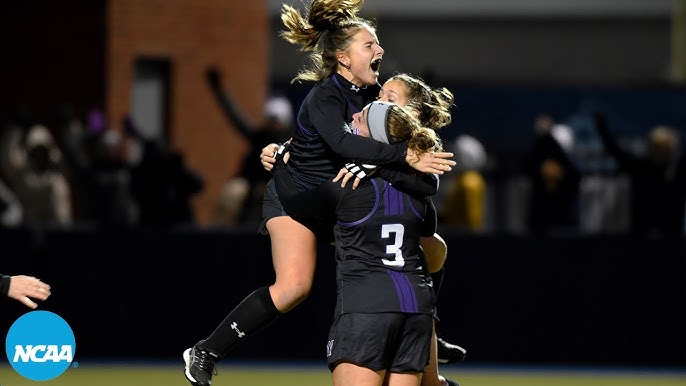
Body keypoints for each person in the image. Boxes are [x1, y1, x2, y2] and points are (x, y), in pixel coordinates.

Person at [182, 2, 455, 386]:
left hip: (339, 198)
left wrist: (402, 154)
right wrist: (402, 155)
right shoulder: (326, 96)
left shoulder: (374, 95)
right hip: (296, 195)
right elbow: (344, 144)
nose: (379, 51)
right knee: (295, 286)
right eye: (368, 44)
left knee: (434, 248)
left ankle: (428, 334)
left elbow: (402, 165)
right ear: (343, 58)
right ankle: (206, 350)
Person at [262, 72, 468, 369]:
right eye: (381, 95)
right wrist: (282, 154)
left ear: (413, 114)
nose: (378, 102)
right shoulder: (361, 139)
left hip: (370, 304)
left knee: (434, 247)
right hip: (399, 299)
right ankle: (431, 330)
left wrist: (379, 166)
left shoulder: (413, 156)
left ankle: (433, 330)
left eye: (390, 99)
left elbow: (429, 190)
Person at [206, 68, 292, 226]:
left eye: (276, 120)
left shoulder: (290, 143)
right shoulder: (258, 136)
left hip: (273, 191)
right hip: (248, 185)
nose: (273, 124)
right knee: (232, 194)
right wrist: (218, 89)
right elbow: (234, 116)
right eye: (271, 119)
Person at [592, 112, 686, 236]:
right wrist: (602, 128)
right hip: (646, 232)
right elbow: (616, 151)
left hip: (664, 232)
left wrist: (602, 128)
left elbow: (615, 151)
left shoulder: (673, 171)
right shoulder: (643, 167)